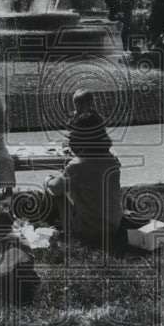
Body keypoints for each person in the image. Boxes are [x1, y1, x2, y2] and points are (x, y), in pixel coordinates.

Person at [45, 90, 126, 254]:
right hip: (115, 226)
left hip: (89, 232)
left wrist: (47, 180)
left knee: (54, 186)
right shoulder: (112, 160)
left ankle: (59, 224)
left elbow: (55, 189)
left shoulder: (78, 165)